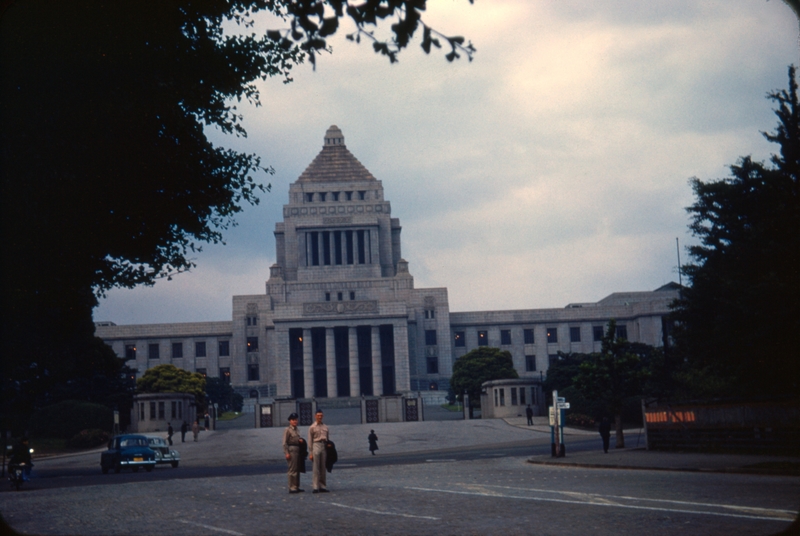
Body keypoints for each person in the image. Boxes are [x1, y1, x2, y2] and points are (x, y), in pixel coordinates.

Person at [308, 409, 330, 493]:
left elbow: (328, 438)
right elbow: (310, 440)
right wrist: (311, 452)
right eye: (318, 415)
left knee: (323, 467)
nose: (320, 417)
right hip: (316, 445)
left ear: (323, 416)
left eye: (321, 415)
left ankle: (323, 486)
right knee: (316, 467)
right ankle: (315, 486)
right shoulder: (312, 427)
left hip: (323, 446)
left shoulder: (325, 427)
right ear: (315, 416)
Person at [282, 413, 305, 494]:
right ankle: (292, 487)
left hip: (297, 449)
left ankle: (296, 486)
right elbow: (284, 443)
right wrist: (286, 452)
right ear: (290, 421)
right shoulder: (287, 430)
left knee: (297, 469)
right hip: (291, 449)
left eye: (296, 420)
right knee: (292, 469)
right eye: (293, 420)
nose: (295, 421)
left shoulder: (297, 429)